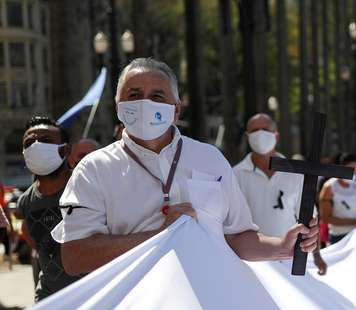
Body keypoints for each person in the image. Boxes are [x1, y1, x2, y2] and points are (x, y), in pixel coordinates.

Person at [52, 58, 318, 276]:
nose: (145, 103)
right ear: (119, 107)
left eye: (157, 96)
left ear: (176, 110)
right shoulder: (93, 170)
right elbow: (75, 257)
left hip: (209, 305)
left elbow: (238, 236)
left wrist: (281, 247)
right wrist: (160, 236)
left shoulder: (210, 159)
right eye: (134, 95)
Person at [232, 113, 327, 275]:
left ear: (276, 135)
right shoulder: (235, 175)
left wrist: (316, 255)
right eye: (254, 131)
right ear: (247, 136)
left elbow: (311, 220)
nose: (260, 134)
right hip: (252, 265)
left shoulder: (295, 173)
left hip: (289, 262)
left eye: (265, 129)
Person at [15, 116, 81, 301]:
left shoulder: (87, 185)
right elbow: (34, 242)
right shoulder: (25, 202)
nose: (36, 146)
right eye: (29, 143)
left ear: (66, 150)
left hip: (90, 293)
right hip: (48, 297)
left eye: (45, 140)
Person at [319, 154, 356, 244]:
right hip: (339, 237)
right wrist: (354, 222)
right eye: (352, 170)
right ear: (342, 168)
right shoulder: (329, 187)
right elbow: (326, 218)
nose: (355, 174)